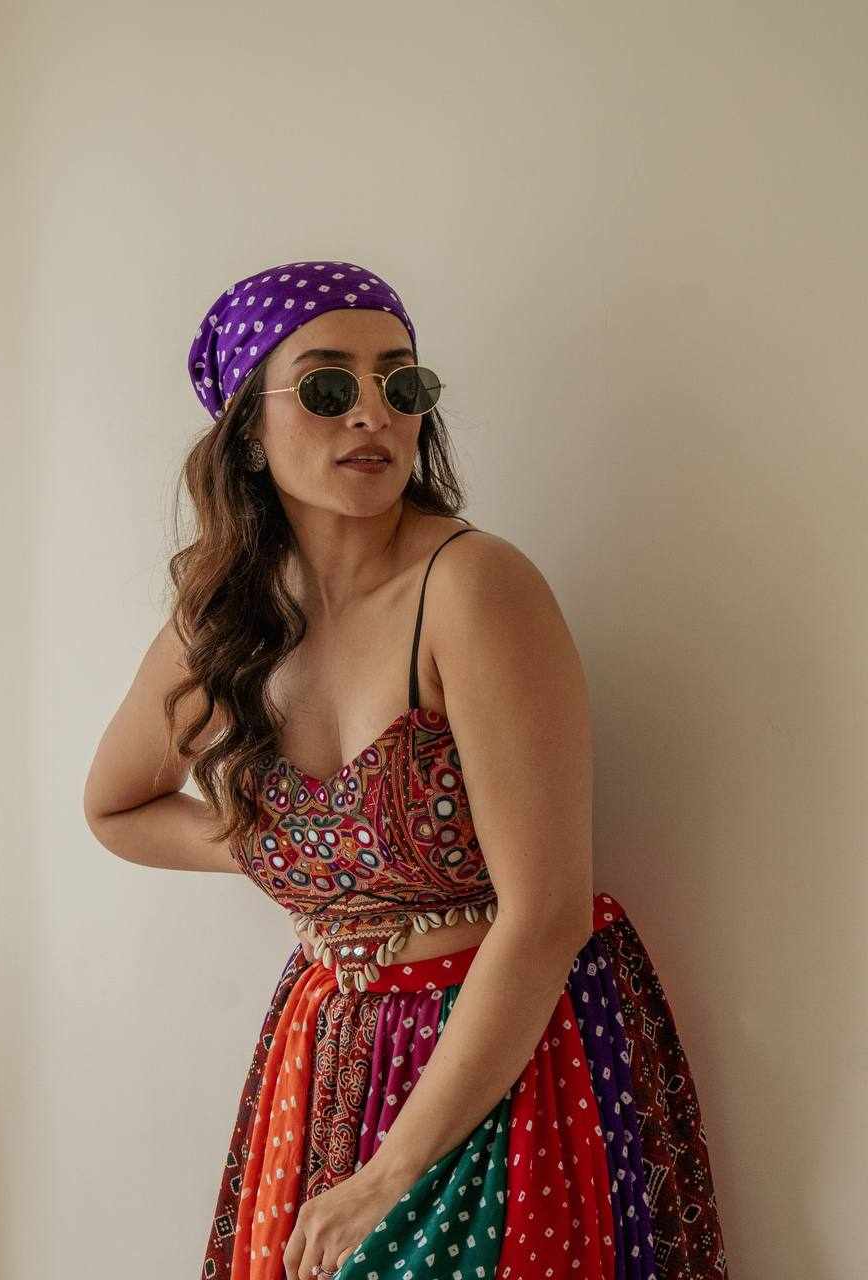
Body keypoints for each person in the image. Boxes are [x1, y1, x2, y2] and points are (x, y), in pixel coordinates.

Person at [83, 259, 729, 1280]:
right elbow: (117, 808)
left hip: (497, 1052)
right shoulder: (226, 621)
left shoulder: (474, 587)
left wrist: (386, 1175)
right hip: (322, 1048)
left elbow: (547, 913)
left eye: (402, 382)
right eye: (328, 386)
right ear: (248, 431)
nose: (373, 412)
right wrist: (291, 851)